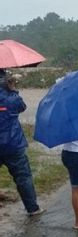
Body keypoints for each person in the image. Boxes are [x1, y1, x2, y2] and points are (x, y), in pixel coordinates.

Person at [0, 70, 45, 216]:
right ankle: (32, 208)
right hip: (13, 144)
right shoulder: (12, 98)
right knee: (23, 177)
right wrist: (13, 90)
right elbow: (22, 107)